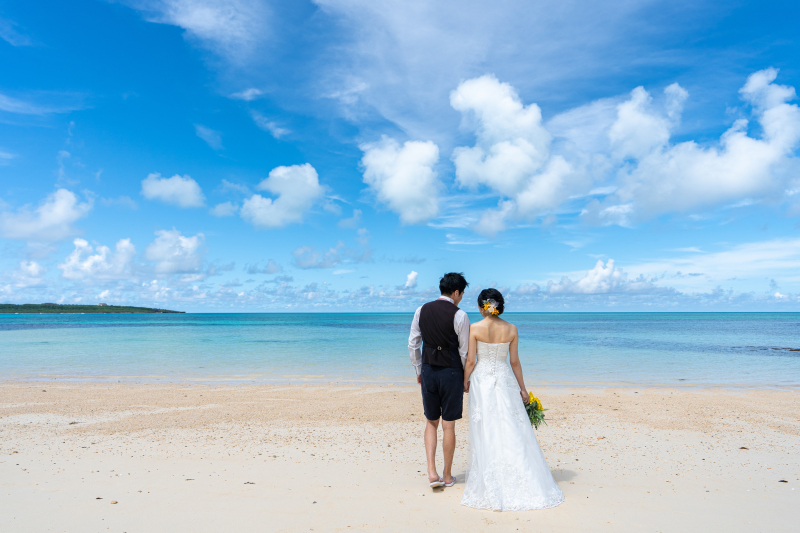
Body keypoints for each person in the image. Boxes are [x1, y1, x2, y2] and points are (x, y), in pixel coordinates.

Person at [461, 288, 565, 511]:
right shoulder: (511, 329)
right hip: (505, 378)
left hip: (483, 381)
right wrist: (523, 389)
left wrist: (465, 381)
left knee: (486, 426)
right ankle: (521, 472)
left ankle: (490, 476)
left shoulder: (475, 328)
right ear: (499, 306)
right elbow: (515, 362)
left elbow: (470, 361)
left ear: (482, 307)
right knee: (511, 426)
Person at [408, 272, 470, 488]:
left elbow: (413, 344)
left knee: (431, 422)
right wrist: (465, 377)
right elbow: (464, 351)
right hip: (451, 372)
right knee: (449, 426)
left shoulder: (421, 310)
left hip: (428, 371)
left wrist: (418, 369)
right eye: (461, 293)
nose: (461, 297)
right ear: (456, 292)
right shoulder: (460, 315)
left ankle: (432, 472)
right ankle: (447, 475)